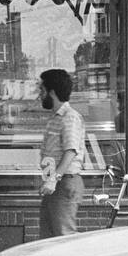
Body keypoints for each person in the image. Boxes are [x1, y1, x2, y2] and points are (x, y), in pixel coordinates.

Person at [38, 68, 85, 237]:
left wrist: (53, 180)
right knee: (48, 238)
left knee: (63, 237)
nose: (39, 95)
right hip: (55, 184)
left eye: (41, 90)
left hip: (63, 183)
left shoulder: (69, 117)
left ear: (51, 92)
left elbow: (71, 151)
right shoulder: (55, 117)